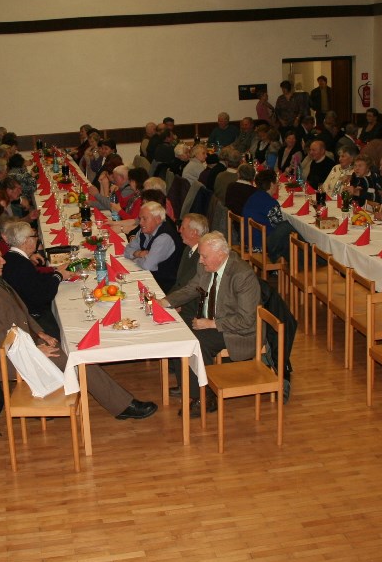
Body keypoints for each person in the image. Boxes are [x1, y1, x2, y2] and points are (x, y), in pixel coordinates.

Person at [0, 242, 157, 420]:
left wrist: (40, 333)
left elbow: (20, 311)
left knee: (70, 345)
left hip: (25, 343)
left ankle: (112, 399)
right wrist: (35, 350)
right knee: (76, 359)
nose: (4, 261)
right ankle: (122, 405)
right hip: (14, 356)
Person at [160, 232, 259, 417]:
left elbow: (247, 320)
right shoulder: (207, 267)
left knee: (197, 341)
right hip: (210, 320)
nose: (200, 261)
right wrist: (164, 302)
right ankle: (187, 384)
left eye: (204, 256)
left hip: (236, 330)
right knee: (177, 329)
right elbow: (192, 288)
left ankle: (204, 397)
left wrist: (211, 323)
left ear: (220, 255)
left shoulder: (242, 275)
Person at [0, 221, 68, 336]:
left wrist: (56, 273)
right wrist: (59, 276)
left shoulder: (10, 257)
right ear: (26, 241)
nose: (37, 239)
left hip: (23, 310)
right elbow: (44, 295)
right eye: (34, 236)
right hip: (31, 318)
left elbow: (35, 280)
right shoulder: (21, 264)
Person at [124, 201, 183, 292]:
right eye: (140, 219)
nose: (141, 223)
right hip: (146, 277)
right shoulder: (145, 230)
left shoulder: (164, 237)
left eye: (144, 219)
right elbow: (127, 250)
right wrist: (138, 253)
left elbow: (148, 265)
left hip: (162, 286)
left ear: (158, 219)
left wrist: (134, 258)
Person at [242, 169, 294, 262]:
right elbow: (279, 229)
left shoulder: (252, 197)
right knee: (287, 231)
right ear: (271, 184)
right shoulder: (271, 204)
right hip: (261, 245)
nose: (277, 185)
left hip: (247, 241)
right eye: (276, 183)